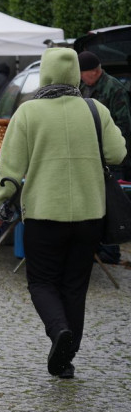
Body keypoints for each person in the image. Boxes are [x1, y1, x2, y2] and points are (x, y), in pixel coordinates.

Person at [0, 47, 125, 379]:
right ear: (76, 73)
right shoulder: (96, 110)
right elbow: (117, 152)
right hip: (90, 214)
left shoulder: (28, 112)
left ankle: (58, 330)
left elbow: (10, 167)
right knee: (75, 286)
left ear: (44, 74)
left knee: (42, 282)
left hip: (45, 214)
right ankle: (65, 360)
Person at [78, 49, 131, 265]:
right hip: (88, 154)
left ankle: (111, 251)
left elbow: (124, 125)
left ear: (94, 71)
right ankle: (94, 245)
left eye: (82, 72)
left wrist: (105, 145)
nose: (80, 76)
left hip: (111, 157)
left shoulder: (114, 89)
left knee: (110, 202)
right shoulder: (83, 87)